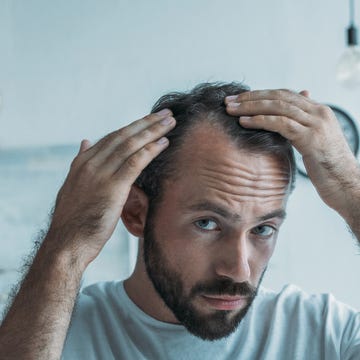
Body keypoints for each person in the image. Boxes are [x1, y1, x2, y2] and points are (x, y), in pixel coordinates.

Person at [0, 82, 359, 360]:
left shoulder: (324, 332)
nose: (239, 270)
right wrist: (66, 247)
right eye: (207, 223)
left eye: (262, 229)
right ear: (136, 213)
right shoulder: (56, 331)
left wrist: (351, 190)